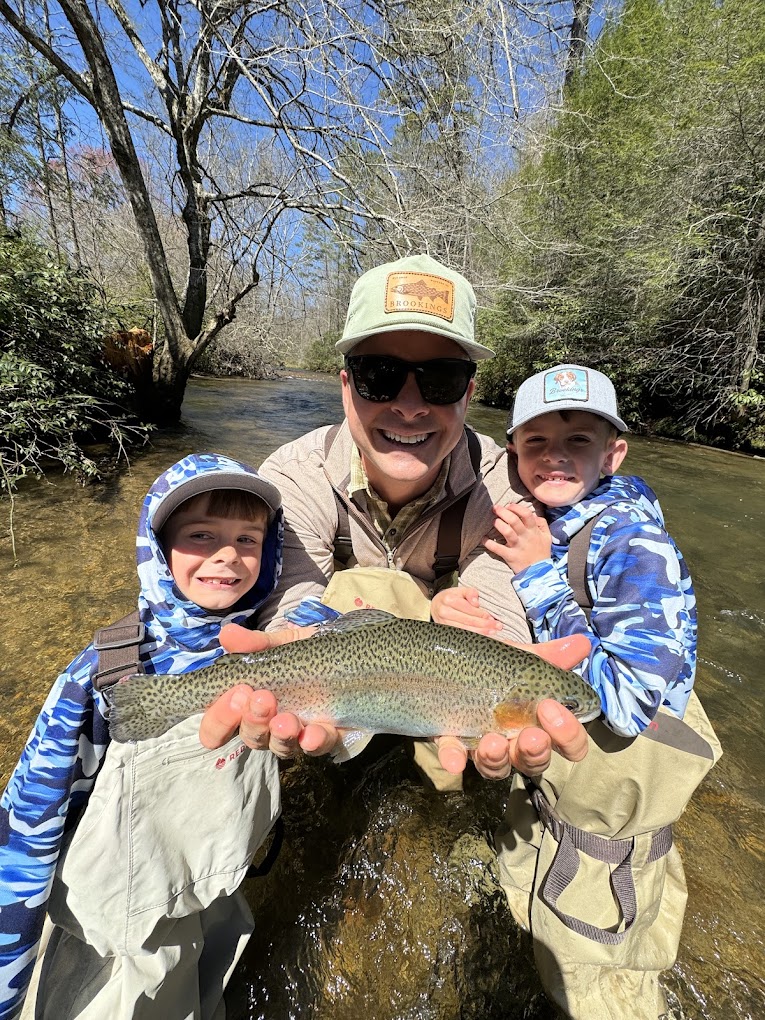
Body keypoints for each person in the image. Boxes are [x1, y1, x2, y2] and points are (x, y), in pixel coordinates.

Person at [198, 255, 592, 785]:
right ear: (346, 386)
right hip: (336, 675)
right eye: (379, 376)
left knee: (481, 777)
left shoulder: (502, 487)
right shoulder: (294, 476)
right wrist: (294, 662)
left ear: (469, 394)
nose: (409, 406)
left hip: (437, 682)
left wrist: (499, 651)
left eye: (441, 380)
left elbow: (496, 613)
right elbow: (294, 603)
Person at [432, 364, 722, 1020]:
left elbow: (625, 705)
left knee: (594, 976)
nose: (554, 456)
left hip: (615, 801)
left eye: (578, 440)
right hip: (565, 775)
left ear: (613, 454)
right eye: (536, 441)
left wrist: (538, 576)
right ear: (513, 451)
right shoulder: (554, 519)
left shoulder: (635, 543)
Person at [0, 453, 284, 1020]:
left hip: (219, 889)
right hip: (120, 934)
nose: (228, 556)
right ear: (157, 548)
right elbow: (28, 828)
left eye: (248, 540)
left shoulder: (271, 647)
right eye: (201, 536)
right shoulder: (105, 673)